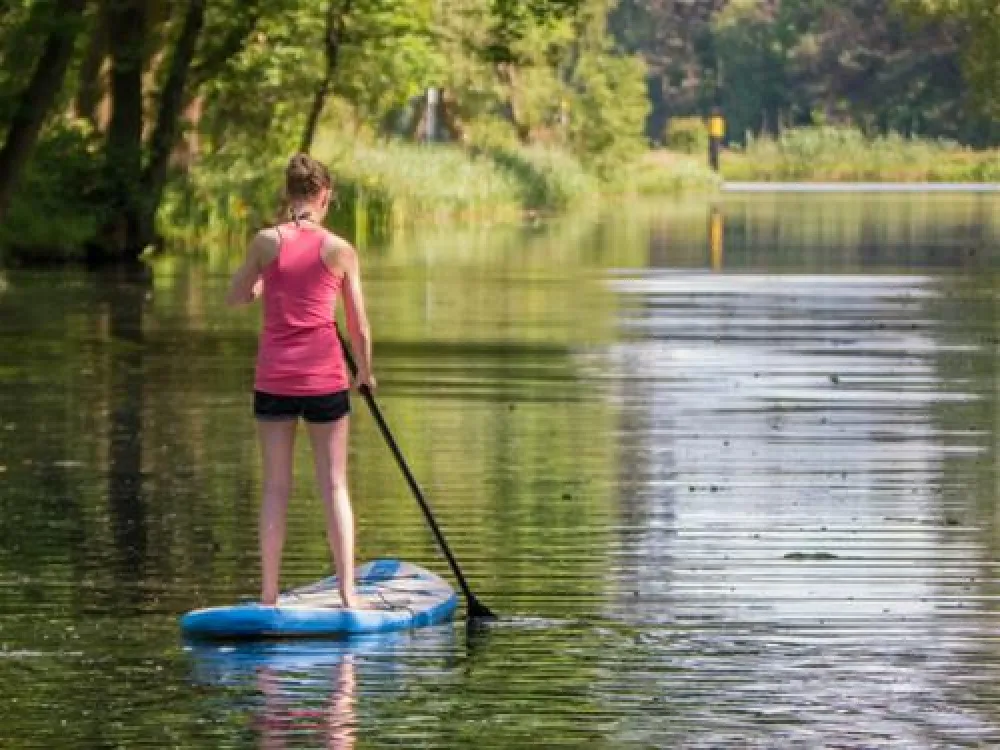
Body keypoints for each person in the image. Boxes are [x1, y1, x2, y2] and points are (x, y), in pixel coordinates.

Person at [226, 153, 375, 609]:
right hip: (325, 379)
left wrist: (260, 285)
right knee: (334, 485)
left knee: (274, 486)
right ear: (324, 196)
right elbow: (359, 326)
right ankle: (349, 594)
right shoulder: (340, 249)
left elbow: (235, 297)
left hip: (274, 379)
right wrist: (365, 373)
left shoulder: (264, 243)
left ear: (287, 195)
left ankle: (269, 594)